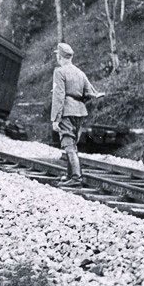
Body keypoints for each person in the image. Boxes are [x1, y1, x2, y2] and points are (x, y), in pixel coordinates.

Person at [50, 42, 104, 188]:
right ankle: (70, 175)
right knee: (73, 144)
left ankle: (75, 178)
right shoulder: (80, 72)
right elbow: (90, 93)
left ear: (60, 56)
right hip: (80, 112)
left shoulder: (59, 72)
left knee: (68, 143)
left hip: (66, 111)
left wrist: (55, 118)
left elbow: (59, 96)